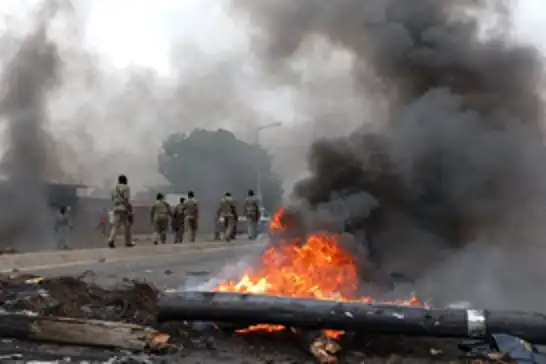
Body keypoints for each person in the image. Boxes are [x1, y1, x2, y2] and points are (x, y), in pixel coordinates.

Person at [107, 174, 134, 248]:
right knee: (127, 225)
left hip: (115, 208)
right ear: (125, 180)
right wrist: (129, 210)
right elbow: (126, 200)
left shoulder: (113, 188)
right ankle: (128, 242)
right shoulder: (126, 187)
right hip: (123, 208)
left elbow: (111, 199)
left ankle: (111, 240)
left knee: (115, 226)